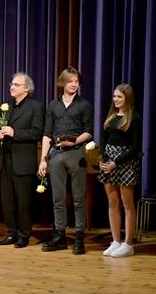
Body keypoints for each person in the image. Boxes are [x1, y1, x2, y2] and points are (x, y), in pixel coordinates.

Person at [38, 67, 94, 254]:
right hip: (56, 154)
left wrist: (74, 141)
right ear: (62, 82)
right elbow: (47, 134)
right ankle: (60, 235)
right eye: (70, 81)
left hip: (76, 152)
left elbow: (88, 131)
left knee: (78, 198)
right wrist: (43, 159)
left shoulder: (84, 105)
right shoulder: (53, 105)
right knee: (58, 198)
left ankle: (79, 236)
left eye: (76, 81)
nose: (74, 84)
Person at [0, 72, 44, 248]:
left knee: (23, 202)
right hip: (5, 159)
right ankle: (11, 233)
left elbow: (37, 132)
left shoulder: (35, 107)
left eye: (16, 84)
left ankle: (24, 235)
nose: (12, 87)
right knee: (7, 201)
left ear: (26, 88)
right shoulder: (5, 106)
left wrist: (15, 133)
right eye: (11, 84)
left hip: (22, 161)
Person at [98, 84, 142, 258]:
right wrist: (103, 158)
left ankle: (128, 244)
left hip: (125, 163)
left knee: (127, 204)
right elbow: (104, 141)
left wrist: (116, 162)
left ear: (127, 99)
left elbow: (136, 147)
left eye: (119, 97)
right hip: (108, 163)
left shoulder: (134, 118)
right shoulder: (110, 117)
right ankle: (116, 240)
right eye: (114, 96)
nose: (116, 100)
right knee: (112, 202)